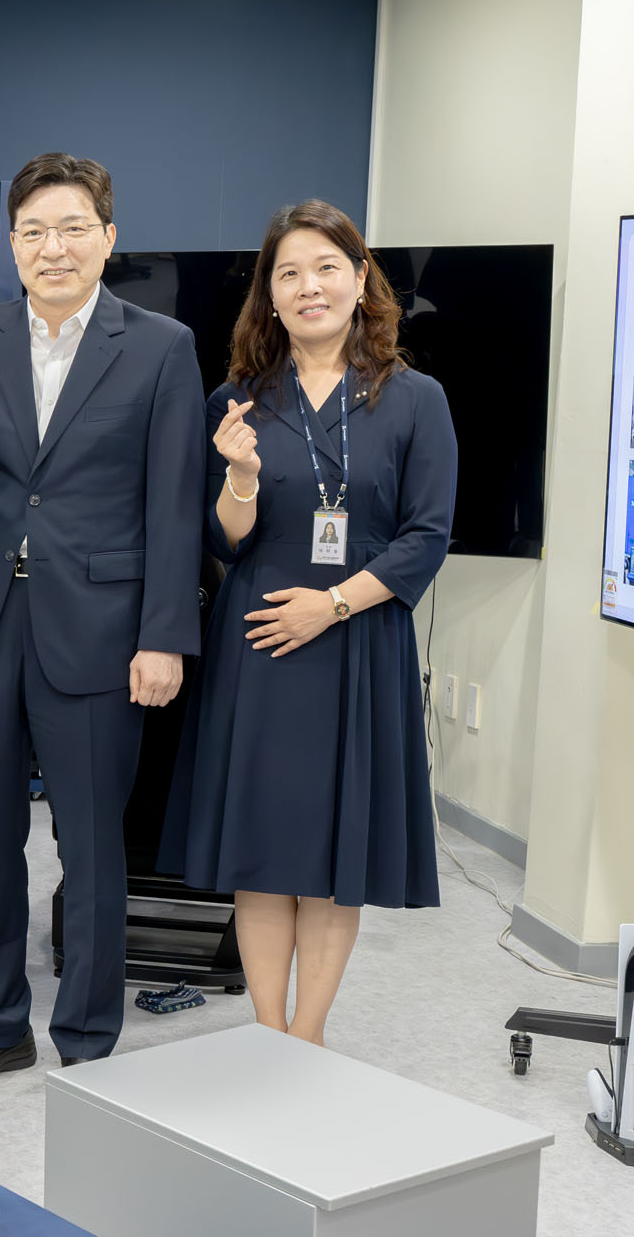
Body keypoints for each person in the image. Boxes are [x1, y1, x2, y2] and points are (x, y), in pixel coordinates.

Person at [0, 152, 202, 1088]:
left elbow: (174, 505)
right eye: (35, 231)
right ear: (13, 245)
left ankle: (86, 1037)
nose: (54, 247)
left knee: (90, 848)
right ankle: (0, 1023)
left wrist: (164, 637)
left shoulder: (160, 346)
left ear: (107, 238)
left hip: (100, 629)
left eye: (73, 228)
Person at [161, 198, 456, 1047]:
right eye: (287, 273)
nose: (308, 287)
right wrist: (241, 477)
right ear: (270, 294)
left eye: (326, 268)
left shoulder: (416, 399)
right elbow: (222, 538)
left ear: (360, 279)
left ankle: (307, 1037)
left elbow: (427, 535)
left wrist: (332, 604)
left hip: (359, 637)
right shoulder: (238, 400)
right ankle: (265, 1031)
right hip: (260, 641)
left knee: (332, 856)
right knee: (262, 853)